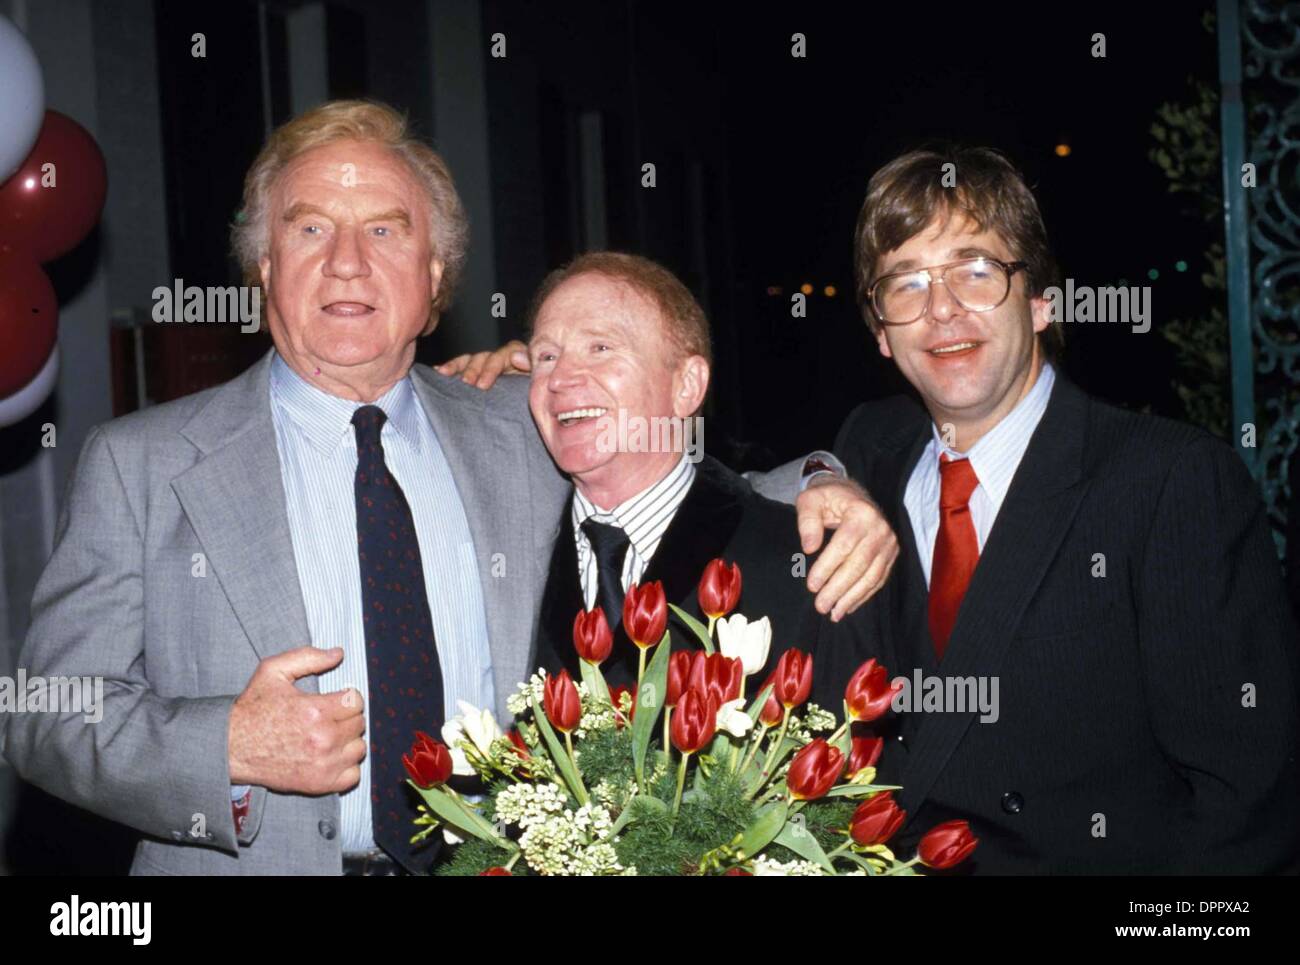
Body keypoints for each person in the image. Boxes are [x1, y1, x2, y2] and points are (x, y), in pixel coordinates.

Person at [1, 99, 893, 876]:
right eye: (309, 228)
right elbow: (45, 715)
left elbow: (671, 474)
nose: (348, 261)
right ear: (264, 269)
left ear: (433, 281)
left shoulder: (524, 422)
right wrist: (221, 747)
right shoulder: (142, 463)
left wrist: (823, 482)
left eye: (386, 230)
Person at [826, 146, 1300, 873]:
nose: (942, 308)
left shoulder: (1169, 481)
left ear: (1042, 300)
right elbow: (743, 483)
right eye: (907, 283)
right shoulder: (869, 447)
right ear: (881, 332)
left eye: (976, 271)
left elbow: (1245, 801)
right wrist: (815, 473)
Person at [524, 252, 850, 710]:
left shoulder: (811, 567)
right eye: (546, 355)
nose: (560, 378)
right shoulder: (507, 554)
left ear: (687, 386)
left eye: (600, 348)